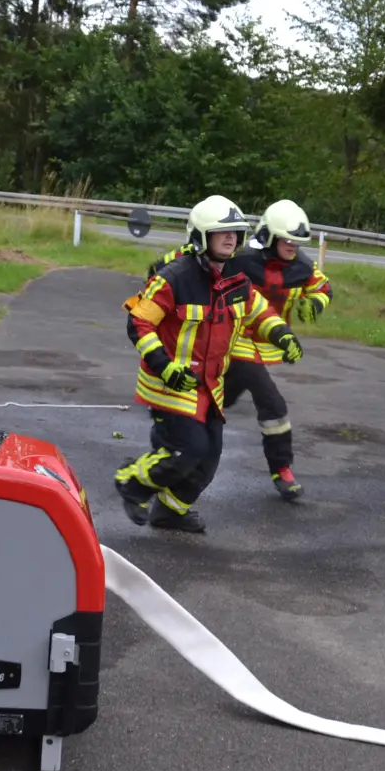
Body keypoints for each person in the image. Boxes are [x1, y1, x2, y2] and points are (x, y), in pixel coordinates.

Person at [114, 194, 304, 533]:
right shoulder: (175, 277)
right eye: (222, 232)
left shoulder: (235, 277)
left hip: (210, 385)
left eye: (235, 232)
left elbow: (259, 311)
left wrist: (282, 336)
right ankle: (131, 481)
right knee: (187, 450)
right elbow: (139, 322)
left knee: (210, 457)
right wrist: (165, 366)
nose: (231, 238)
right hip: (170, 384)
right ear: (202, 235)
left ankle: (169, 512)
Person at [220, 199, 334, 501]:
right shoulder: (241, 260)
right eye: (288, 239)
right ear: (269, 236)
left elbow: (323, 288)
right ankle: (282, 469)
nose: (293, 246)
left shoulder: (301, 265)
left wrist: (314, 304)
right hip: (235, 341)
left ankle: (198, 410)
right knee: (272, 403)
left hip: (268, 346)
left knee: (224, 399)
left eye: (298, 241)